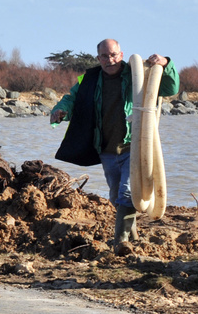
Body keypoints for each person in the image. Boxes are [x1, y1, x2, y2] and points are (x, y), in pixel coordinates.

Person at [49, 40, 178, 247]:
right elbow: (71, 98)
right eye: (105, 56)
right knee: (116, 196)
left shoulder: (138, 74)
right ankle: (132, 237)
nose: (110, 60)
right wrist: (60, 111)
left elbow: (170, 87)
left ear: (121, 54)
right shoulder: (90, 79)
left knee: (127, 192)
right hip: (107, 149)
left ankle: (120, 241)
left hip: (134, 145)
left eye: (114, 55)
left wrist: (165, 64)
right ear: (98, 58)